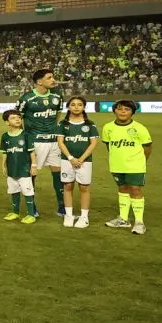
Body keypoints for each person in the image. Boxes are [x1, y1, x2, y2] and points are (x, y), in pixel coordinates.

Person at [15, 69, 65, 217]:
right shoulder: (26, 98)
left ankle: (62, 206)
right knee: (31, 175)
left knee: (59, 175)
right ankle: (32, 207)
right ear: (39, 82)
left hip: (54, 141)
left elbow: (58, 114)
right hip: (35, 141)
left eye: (53, 77)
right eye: (49, 78)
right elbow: (18, 118)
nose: (53, 80)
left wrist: (53, 129)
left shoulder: (57, 96)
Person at [102, 100, 152, 235]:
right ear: (114, 111)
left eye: (127, 109)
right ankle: (123, 219)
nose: (123, 111)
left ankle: (139, 222)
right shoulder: (108, 127)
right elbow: (108, 145)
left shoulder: (139, 128)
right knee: (122, 189)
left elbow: (147, 147)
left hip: (135, 165)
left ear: (132, 113)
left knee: (135, 190)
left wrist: (141, 161)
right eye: (119, 109)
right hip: (117, 165)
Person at [57, 96, 99, 228]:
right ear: (68, 107)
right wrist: (71, 158)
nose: (76, 107)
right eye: (73, 104)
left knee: (84, 187)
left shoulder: (90, 124)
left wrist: (81, 159)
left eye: (79, 104)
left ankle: (84, 217)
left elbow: (93, 143)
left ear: (84, 107)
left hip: (85, 161)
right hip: (67, 160)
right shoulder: (63, 124)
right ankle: (69, 216)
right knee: (67, 186)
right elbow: (60, 142)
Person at [0, 109, 37, 224]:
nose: (17, 119)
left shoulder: (26, 135)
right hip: (11, 169)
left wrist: (34, 165)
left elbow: (32, 152)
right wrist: (3, 166)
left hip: (24, 169)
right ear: (7, 122)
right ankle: (15, 212)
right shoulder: (5, 136)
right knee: (13, 191)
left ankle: (31, 214)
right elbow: (4, 153)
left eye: (19, 118)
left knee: (28, 192)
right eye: (13, 118)